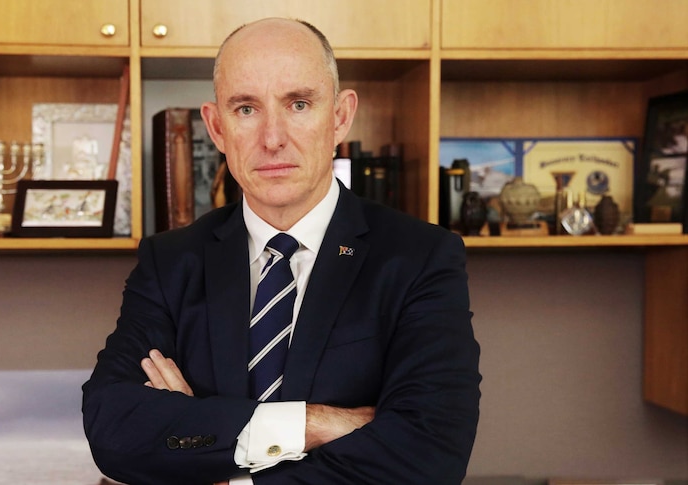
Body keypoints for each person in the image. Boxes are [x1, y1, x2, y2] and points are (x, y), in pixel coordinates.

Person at [83, 17, 481, 485]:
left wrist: (214, 463)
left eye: (298, 103)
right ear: (215, 127)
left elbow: (428, 455)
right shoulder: (169, 262)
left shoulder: (421, 258)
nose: (272, 138)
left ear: (339, 116)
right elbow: (114, 430)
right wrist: (313, 423)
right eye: (246, 109)